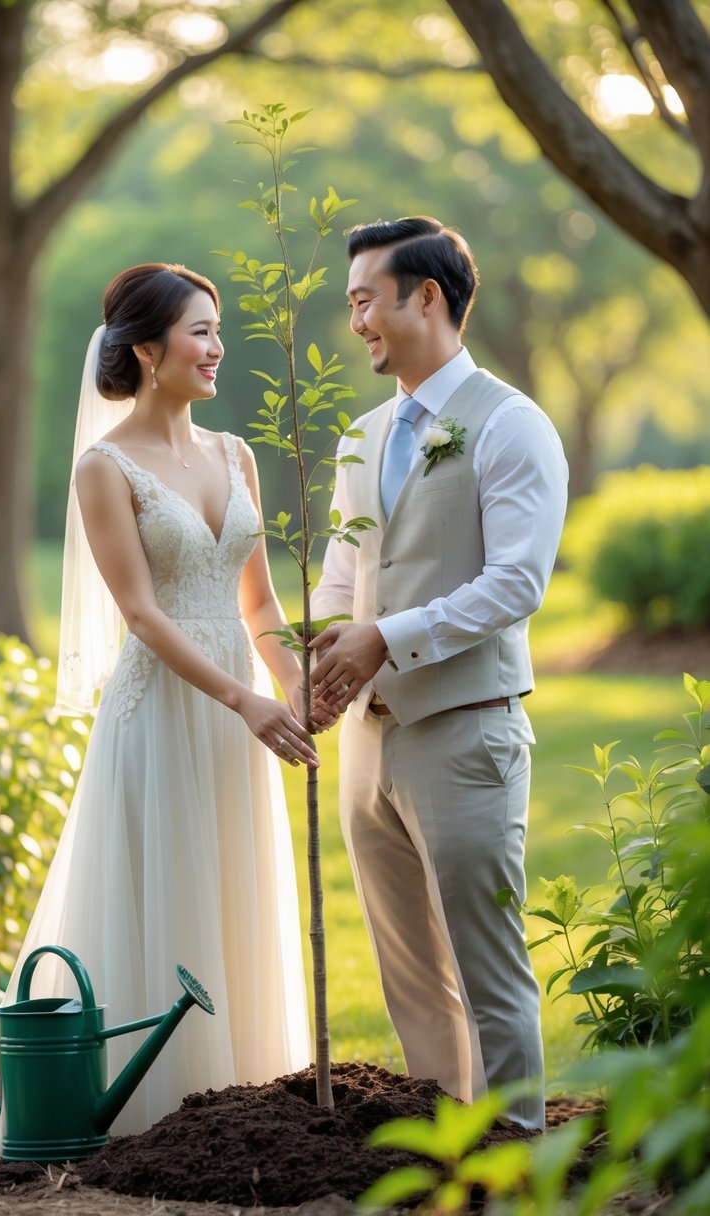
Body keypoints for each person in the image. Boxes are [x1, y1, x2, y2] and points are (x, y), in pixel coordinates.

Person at [0, 262, 314, 1157]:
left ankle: (243, 1094)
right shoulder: (103, 466)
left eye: (218, 329)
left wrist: (294, 688)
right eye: (200, 330)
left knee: (233, 881)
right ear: (148, 350)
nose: (216, 347)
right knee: (166, 885)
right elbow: (142, 614)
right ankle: (157, 1105)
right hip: (166, 710)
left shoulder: (236, 454)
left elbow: (260, 605)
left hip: (241, 711)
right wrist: (244, 700)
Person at [309, 218, 568, 1130]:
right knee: (409, 975)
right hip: (368, 740)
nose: (357, 322)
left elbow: (517, 582)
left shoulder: (511, 423)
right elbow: (345, 576)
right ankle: (449, 1149)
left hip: (467, 731)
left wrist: (387, 636)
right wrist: (327, 660)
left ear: (427, 296)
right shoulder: (360, 434)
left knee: (487, 971)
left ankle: (519, 1153)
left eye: (366, 300)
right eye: (351, 305)